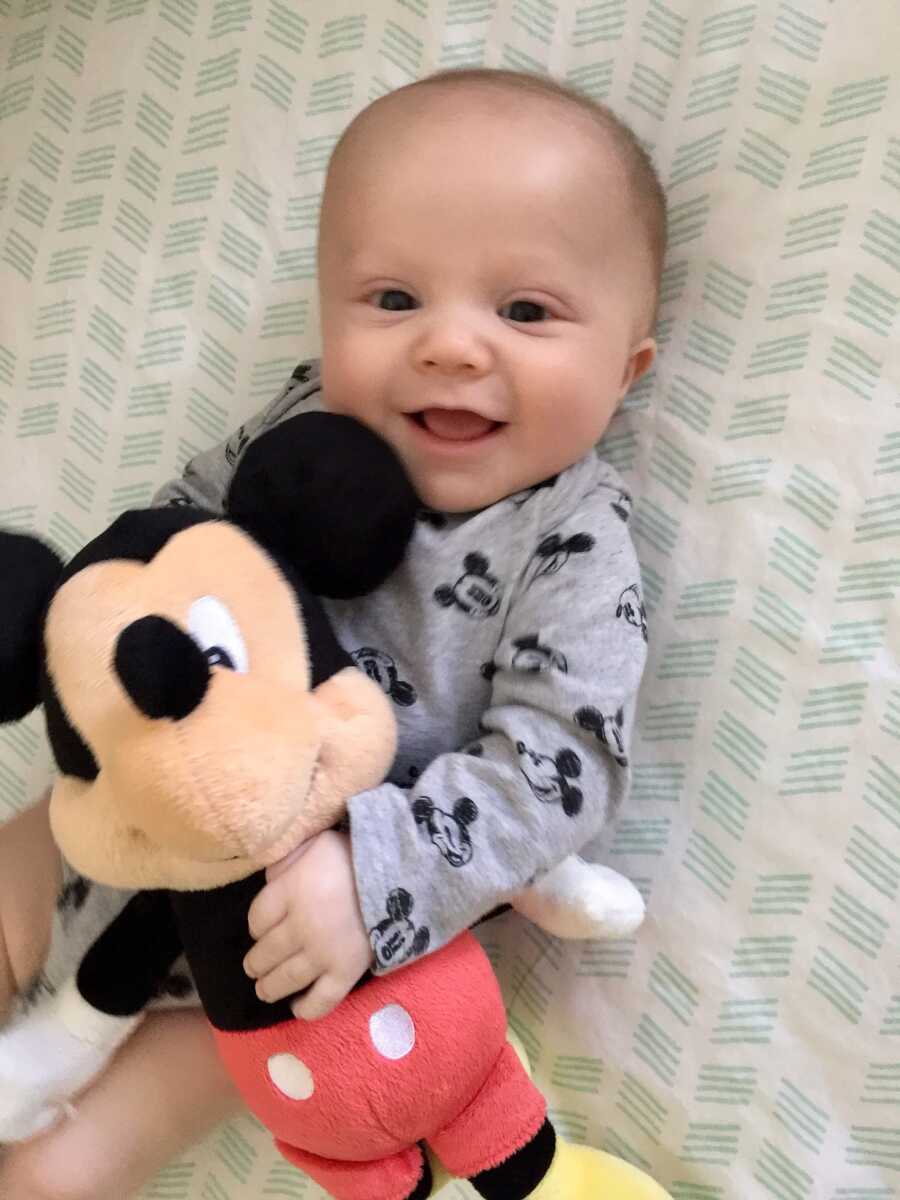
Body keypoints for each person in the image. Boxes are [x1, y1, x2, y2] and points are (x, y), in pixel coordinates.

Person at [0, 65, 665, 1200]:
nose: (451, 346)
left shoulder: (571, 540)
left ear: (626, 368)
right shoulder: (304, 423)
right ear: (328, 312)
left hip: (290, 945)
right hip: (127, 817)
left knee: (58, 1175)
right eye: (394, 300)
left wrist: (372, 873)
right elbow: (166, 547)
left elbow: (561, 768)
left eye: (526, 311)